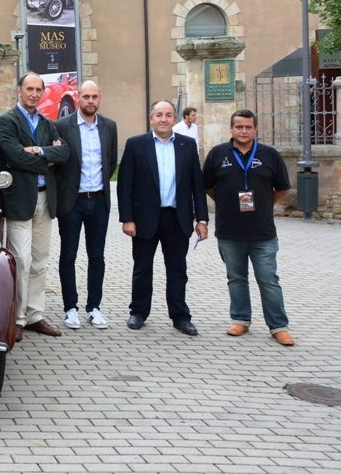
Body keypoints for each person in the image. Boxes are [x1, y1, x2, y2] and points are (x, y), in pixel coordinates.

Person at [202, 109, 294, 346]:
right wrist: (225, 201)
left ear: (255, 129)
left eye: (248, 127)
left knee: (268, 279)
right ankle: (241, 320)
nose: (243, 131)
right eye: (239, 127)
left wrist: (264, 203)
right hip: (229, 230)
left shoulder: (270, 155)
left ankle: (278, 326)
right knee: (236, 278)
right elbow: (207, 186)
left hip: (262, 232)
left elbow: (283, 188)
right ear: (231, 129)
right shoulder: (217, 154)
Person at [117, 100, 208, 335]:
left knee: (177, 269)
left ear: (174, 118)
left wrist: (202, 219)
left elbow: (197, 186)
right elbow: (125, 185)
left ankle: (180, 316)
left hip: (178, 218)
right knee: (142, 268)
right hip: (145, 218)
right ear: (151, 119)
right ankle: (138, 312)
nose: (164, 119)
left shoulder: (187, 146)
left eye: (168, 115)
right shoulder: (136, 145)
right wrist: (127, 218)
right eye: (159, 115)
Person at [0, 72, 70, 341]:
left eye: (39, 89)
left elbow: (64, 153)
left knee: (40, 261)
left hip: (45, 199)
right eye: (29, 88)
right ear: (19, 90)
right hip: (19, 200)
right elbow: (13, 157)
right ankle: (16, 318)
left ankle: (35, 315)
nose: (34, 94)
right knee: (21, 261)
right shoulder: (7, 121)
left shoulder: (49, 124)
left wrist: (37, 151)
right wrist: (44, 156)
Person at [54, 80, 118, 330]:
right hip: (72, 202)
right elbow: (58, 164)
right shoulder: (62, 126)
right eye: (86, 97)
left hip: (99, 201)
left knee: (97, 256)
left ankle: (94, 307)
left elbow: (111, 162)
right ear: (78, 98)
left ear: (100, 98)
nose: (90, 101)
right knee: (68, 256)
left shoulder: (109, 126)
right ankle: (70, 308)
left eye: (94, 97)